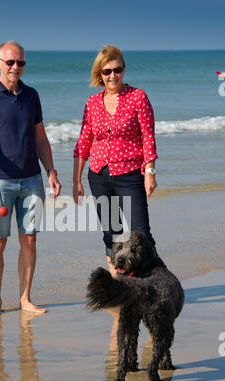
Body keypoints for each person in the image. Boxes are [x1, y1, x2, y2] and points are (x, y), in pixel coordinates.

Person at [0, 41, 61, 317]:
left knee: (30, 240)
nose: (15, 67)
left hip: (32, 179)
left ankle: (25, 299)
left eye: (20, 62)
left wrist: (51, 171)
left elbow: (41, 138)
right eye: (10, 62)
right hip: (0, 181)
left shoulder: (31, 95)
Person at [73, 45, 158, 278]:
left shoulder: (137, 97)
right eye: (106, 71)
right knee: (112, 234)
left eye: (117, 70)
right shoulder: (92, 103)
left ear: (123, 70)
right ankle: (119, 286)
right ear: (99, 74)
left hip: (130, 175)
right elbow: (83, 143)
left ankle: (151, 283)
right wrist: (76, 180)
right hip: (99, 176)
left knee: (140, 234)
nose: (112, 76)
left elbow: (148, 136)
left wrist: (149, 171)